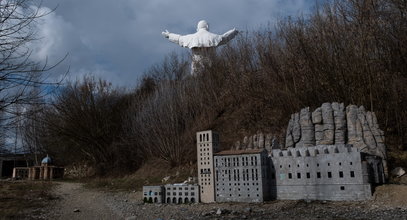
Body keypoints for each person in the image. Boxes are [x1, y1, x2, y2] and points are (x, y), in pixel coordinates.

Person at [162, 20, 238, 74]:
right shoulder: (214, 37)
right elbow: (224, 38)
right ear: (207, 26)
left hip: (196, 67)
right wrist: (233, 32)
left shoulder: (191, 38)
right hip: (211, 66)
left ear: (197, 28)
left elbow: (179, 38)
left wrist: (169, 35)